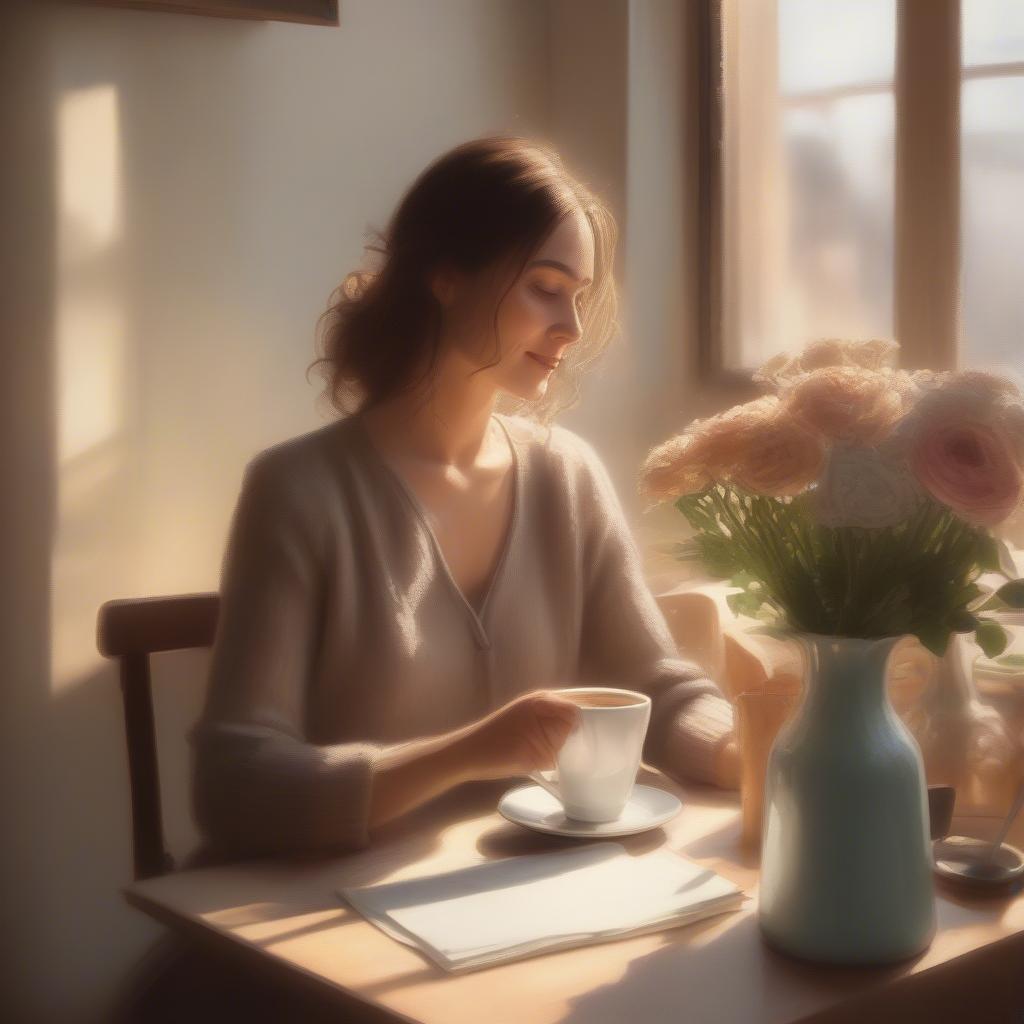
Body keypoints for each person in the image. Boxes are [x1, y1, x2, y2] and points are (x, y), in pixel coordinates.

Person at [187, 134, 739, 868]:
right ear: (445, 274)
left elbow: (657, 690)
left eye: (578, 297)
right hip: (327, 920)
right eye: (546, 287)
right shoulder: (299, 491)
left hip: (524, 902)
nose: (571, 329)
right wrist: (468, 754)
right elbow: (233, 784)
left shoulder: (567, 475)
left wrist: (745, 745)